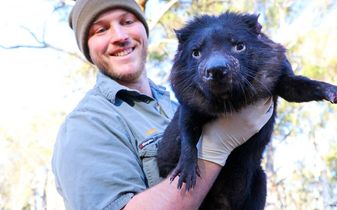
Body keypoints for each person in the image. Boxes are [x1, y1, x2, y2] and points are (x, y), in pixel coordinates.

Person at [51, 0, 273, 209]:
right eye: (101, 30)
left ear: (143, 29)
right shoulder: (86, 125)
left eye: (128, 22)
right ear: (88, 48)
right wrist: (216, 148)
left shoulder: (175, 105)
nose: (119, 36)